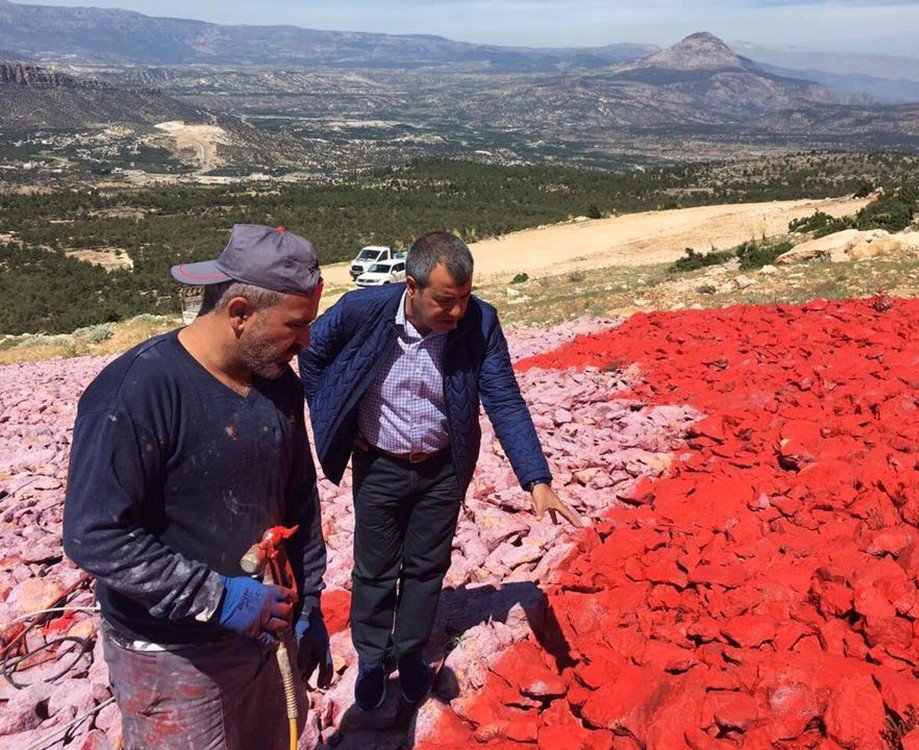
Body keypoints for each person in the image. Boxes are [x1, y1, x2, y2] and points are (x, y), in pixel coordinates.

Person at [62, 224, 333, 750]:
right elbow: (94, 534)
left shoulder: (278, 384)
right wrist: (219, 597)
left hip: (266, 637)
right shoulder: (138, 391)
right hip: (172, 656)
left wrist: (311, 603)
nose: (306, 342)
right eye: (297, 325)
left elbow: (299, 501)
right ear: (239, 313)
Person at [298, 230, 583, 712]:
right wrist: (333, 412)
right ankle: (371, 656)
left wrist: (536, 478)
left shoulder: (481, 323)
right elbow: (312, 352)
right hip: (379, 463)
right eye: (445, 301)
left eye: (464, 299)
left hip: (442, 470)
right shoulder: (361, 310)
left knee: (427, 568)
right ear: (412, 286)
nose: (456, 312)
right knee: (373, 569)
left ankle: (409, 653)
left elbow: (504, 397)